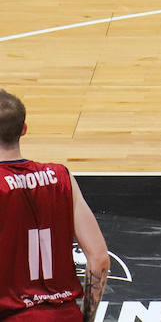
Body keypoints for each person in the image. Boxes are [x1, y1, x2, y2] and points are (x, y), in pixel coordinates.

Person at [0, 90, 109, 320]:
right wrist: (86, 317)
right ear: (24, 129)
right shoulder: (62, 177)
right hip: (66, 315)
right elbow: (99, 259)